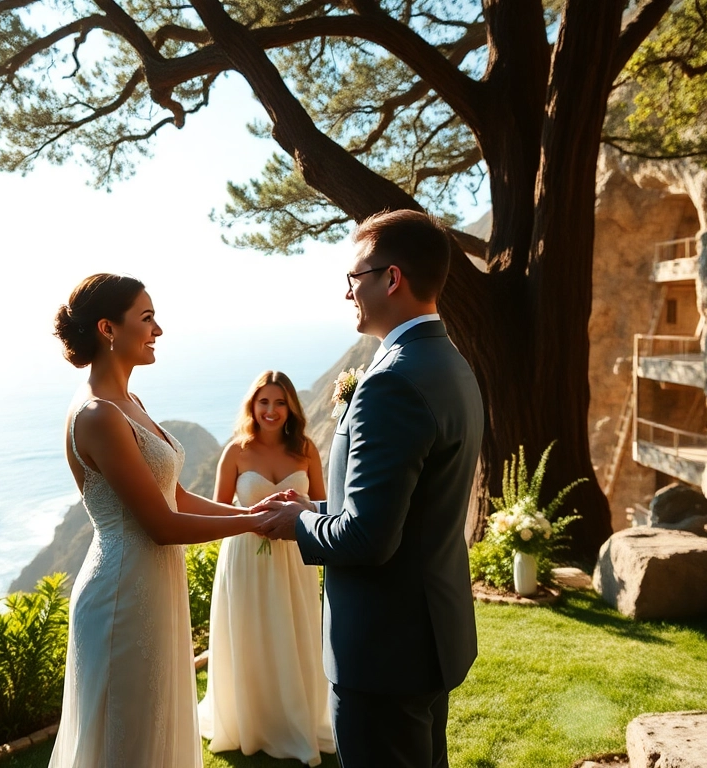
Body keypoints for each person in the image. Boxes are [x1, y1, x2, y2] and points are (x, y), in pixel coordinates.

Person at [260, 210, 485, 768]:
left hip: (384, 651)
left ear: (392, 279)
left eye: (354, 277)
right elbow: (408, 502)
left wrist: (297, 524)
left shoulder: (392, 382)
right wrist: (316, 506)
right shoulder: (451, 364)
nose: (347, 293)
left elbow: (367, 538)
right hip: (430, 635)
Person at [48, 273, 278, 768]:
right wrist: (252, 524)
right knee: (127, 741)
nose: (158, 329)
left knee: (156, 729)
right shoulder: (97, 415)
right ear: (108, 329)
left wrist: (250, 512)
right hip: (123, 592)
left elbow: (175, 495)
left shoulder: (130, 404)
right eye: (147, 317)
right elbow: (163, 524)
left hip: (153, 584)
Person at [198, 371, 335, 766]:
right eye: (264, 402)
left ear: (290, 406)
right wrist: (251, 517)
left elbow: (324, 507)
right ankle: (251, 722)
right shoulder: (236, 452)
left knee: (294, 631)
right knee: (250, 632)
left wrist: (302, 509)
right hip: (244, 558)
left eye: (279, 402)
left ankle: (297, 718)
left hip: (295, 559)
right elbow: (218, 509)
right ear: (252, 406)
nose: (271, 411)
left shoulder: (306, 449)